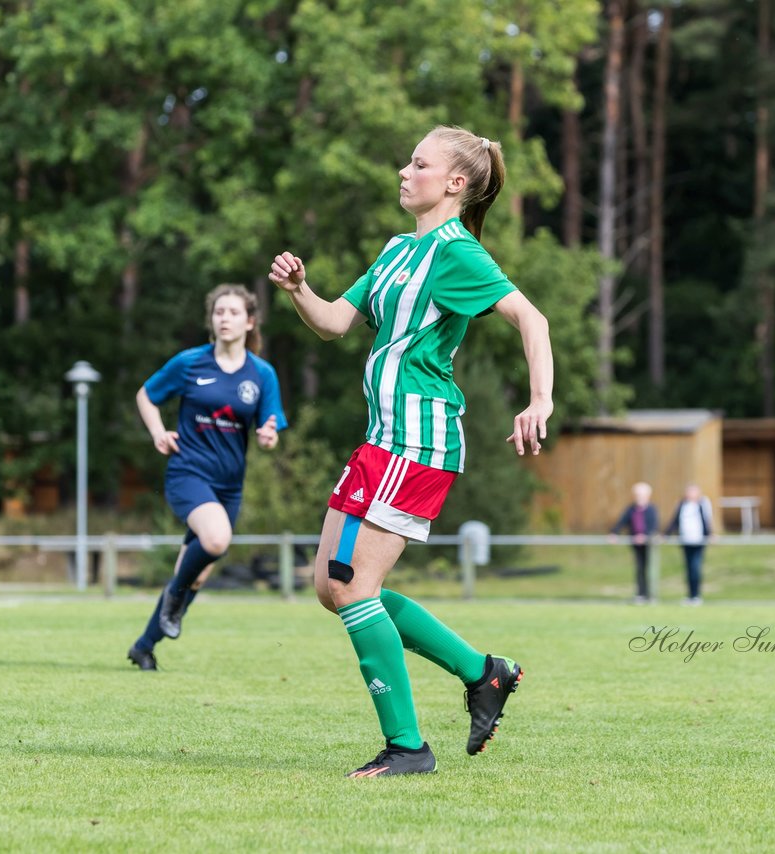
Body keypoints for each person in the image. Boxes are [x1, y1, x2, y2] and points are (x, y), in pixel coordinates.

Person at [269, 125, 552, 778]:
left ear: (454, 183)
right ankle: (485, 673)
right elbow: (337, 322)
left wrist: (540, 400)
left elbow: (530, 319)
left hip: (417, 441)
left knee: (355, 587)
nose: (404, 171)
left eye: (418, 164)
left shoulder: (457, 253)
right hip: (379, 444)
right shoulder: (399, 250)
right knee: (331, 586)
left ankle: (407, 748)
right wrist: (298, 290)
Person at [126, 284, 288, 671]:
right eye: (219, 312)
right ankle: (173, 602)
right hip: (188, 473)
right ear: (211, 321)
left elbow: (270, 429)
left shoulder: (262, 373)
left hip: (229, 486)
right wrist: (158, 433)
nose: (225, 319)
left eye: (233, 312)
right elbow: (145, 396)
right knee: (215, 540)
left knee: (194, 577)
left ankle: (144, 646)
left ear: (250, 322)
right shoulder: (190, 363)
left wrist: (268, 436)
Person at [610, 482, 660, 603]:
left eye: (641, 494)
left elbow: (654, 526)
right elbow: (622, 522)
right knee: (640, 568)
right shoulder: (631, 509)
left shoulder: (652, 509)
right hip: (636, 544)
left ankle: (651, 594)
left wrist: (645, 536)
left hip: (649, 544)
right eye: (637, 494)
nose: (639, 497)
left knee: (650, 569)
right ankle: (641, 594)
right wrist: (614, 533)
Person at [664, 484, 714, 605]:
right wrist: (666, 534)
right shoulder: (682, 504)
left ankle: (696, 595)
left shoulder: (703, 503)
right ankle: (690, 595)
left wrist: (710, 534)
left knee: (695, 567)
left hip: (698, 541)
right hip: (685, 540)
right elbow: (675, 520)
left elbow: (707, 519)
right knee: (688, 568)